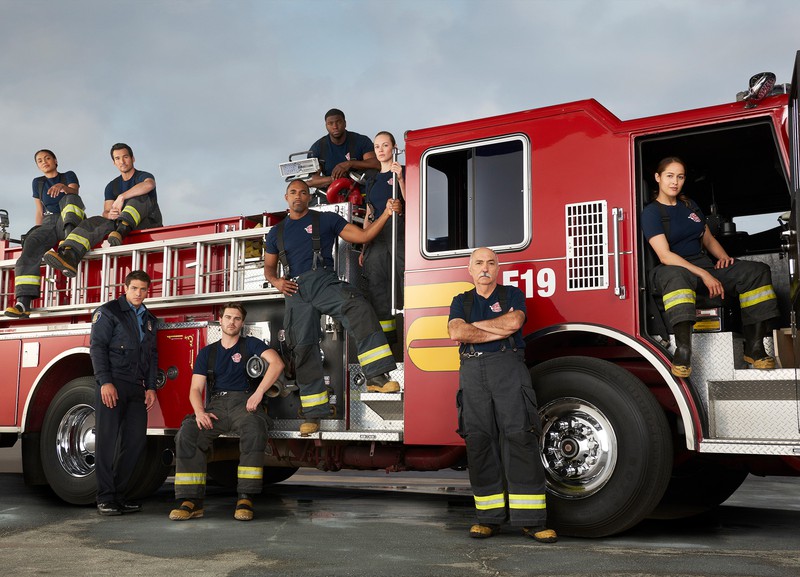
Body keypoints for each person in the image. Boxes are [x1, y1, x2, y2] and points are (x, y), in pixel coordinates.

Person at [263, 179, 402, 436]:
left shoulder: (325, 220)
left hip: (323, 281)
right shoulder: (276, 232)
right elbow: (269, 268)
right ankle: (313, 414)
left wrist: (385, 213)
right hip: (294, 291)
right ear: (286, 197)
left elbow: (363, 236)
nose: (298, 196)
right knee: (303, 348)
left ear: (309, 197)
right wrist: (277, 282)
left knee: (358, 307)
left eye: (303, 192)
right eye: (293, 192)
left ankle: (376, 377)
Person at [448, 247, 557, 543]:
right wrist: (495, 330)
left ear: (498, 268)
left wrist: (475, 329)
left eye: (490, 263)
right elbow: (456, 332)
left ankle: (532, 521)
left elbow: (514, 323)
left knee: (520, 436)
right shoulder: (461, 300)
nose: (485, 268)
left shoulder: (512, 295)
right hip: (472, 372)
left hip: (508, 368)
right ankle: (488, 518)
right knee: (479, 440)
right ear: (470, 269)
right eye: (479, 263)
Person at [642, 157, 780, 377]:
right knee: (677, 275)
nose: (675, 182)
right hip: (672, 269)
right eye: (669, 176)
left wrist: (723, 257)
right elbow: (665, 255)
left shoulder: (690, 205)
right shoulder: (651, 213)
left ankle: (754, 347)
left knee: (756, 272)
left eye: (680, 177)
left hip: (704, 267)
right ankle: (683, 351)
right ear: (658, 178)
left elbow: (707, 239)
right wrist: (704, 274)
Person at [169, 302, 283, 522]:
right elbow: (195, 389)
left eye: (237, 318)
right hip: (217, 407)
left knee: (254, 428)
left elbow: (277, 363)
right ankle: (191, 501)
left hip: (245, 404)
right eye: (228, 317)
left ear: (242, 322)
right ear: (220, 320)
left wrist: (258, 393)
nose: (232, 322)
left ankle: (245, 498)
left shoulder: (251, 344)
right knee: (188, 433)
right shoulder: (207, 353)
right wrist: (200, 412)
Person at [90, 270, 158, 516]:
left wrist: (151, 386)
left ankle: (119, 495)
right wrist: (105, 382)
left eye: (143, 289)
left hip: (136, 387)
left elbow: (152, 356)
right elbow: (97, 347)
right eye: (134, 288)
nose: (139, 293)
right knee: (107, 441)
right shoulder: (109, 312)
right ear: (125, 288)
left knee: (135, 441)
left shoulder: (149, 319)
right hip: (114, 383)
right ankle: (105, 497)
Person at [44, 143, 163, 277]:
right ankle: (70, 256)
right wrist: (110, 214)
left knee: (138, 197)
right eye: (117, 158)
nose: (122, 161)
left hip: (147, 222)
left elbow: (149, 184)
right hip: (117, 228)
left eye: (125, 157)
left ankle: (121, 230)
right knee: (94, 221)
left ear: (132, 158)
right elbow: (106, 211)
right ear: (114, 162)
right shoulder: (112, 186)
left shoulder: (143, 176)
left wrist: (122, 197)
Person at [5, 150, 86, 318]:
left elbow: (74, 194)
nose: (44, 162)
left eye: (47, 158)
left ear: (55, 160)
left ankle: (68, 249)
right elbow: (39, 211)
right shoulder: (38, 182)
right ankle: (23, 303)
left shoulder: (68, 175)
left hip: (70, 219)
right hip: (49, 223)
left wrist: (63, 187)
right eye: (40, 160)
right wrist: (38, 231)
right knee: (31, 244)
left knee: (69, 200)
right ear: (38, 166)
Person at [360, 131, 405, 352]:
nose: (380, 150)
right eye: (377, 146)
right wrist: (364, 245)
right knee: (378, 289)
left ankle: (412, 332)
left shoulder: (403, 172)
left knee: (405, 281)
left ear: (394, 148)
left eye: (385, 145)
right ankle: (388, 344)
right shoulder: (371, 180)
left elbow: (413, 199)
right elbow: (369, 213)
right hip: (376, 238)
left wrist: (402, 178)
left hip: (399, 233)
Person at [306, 108, 379, 191]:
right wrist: (336, 179)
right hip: (331, 192)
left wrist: (349, 164)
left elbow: (376, 164)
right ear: (326, 126)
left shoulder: (361, 140)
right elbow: (311, 181)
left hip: (361, 190)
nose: (335, 127)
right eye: (330, 123)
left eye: (338, 122)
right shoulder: (317, 148)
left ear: (345, 123)